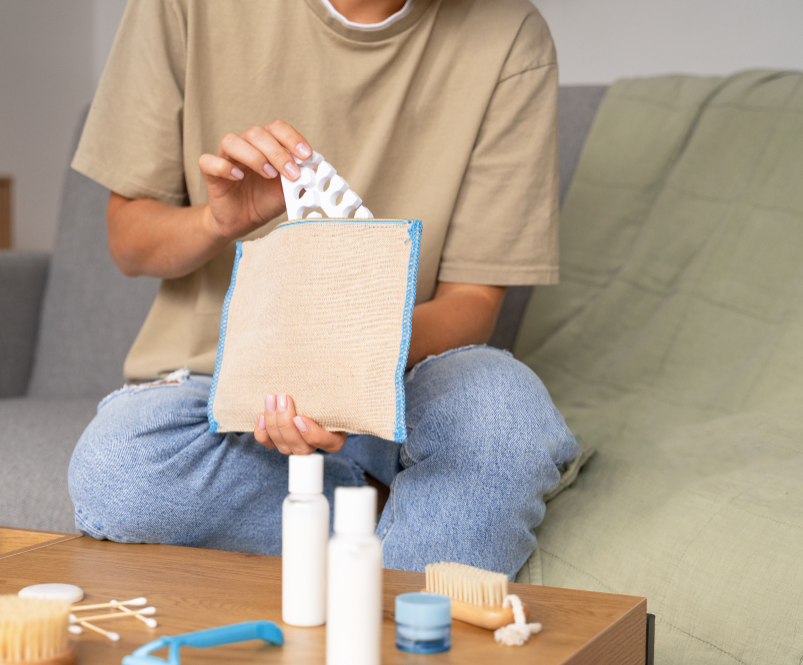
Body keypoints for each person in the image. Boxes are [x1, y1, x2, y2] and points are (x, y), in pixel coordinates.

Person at [68, 0, 580, 576]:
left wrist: (340, 366)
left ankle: (374, 598)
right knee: (120, 465)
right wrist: (220, 221)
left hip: (405, 381)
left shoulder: (511, 36)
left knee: (505, 416)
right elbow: (129, 243)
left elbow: (475, 302)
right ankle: (389, 514)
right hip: (223, 395)